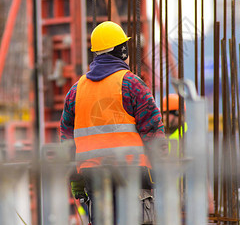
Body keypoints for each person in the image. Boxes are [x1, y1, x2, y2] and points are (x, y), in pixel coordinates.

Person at [60, 21, 166, 224]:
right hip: (133, 176)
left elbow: (66, 139)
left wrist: (75, 177)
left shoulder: (75, 91)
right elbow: (153, 131)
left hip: (94, 178)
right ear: (122, 50)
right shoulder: (131, 84)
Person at [162, 93, 214, 214]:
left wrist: (210, 202)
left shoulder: (189, 135)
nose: (163, 117)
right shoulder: (161, 134)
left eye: (166, 113)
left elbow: (201, 171)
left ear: (178, 114)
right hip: (166, 194)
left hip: (186, 196)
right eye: (162, 113)